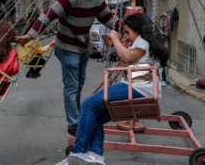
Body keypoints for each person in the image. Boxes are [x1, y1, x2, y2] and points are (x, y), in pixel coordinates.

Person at [15, 0, 115, 136]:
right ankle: (73, 123)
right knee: (71, 86)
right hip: (66, 46)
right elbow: (48, 14)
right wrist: (31, 36)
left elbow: (108, 20)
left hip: (82, 46)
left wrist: (130, 28)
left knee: (79, 84)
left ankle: (76, 117)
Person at [56, 13, 169, 165]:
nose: (127, 36)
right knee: (95, 115)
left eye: (128, 32)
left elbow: (129, 58)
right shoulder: (144, 43)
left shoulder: (143, 40)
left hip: (138, 88)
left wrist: (115, 39)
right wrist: (124, 47)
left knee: (88, 105)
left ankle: (78, 152)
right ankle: (95, 155)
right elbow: (125, 66)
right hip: (140, 87)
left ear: (138, 29)